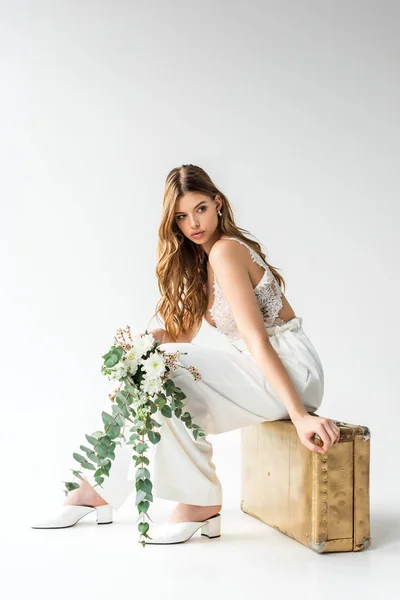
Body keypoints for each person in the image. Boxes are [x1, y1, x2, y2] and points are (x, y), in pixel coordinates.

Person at [31, 164, 340, 544]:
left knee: (162, 371)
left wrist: (299, 416)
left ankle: (196, 502)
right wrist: (149, 343)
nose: (193, 222)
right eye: (181, 216)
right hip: (262, 370)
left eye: (200, 209)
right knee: (149, 371)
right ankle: (97, 488)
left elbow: (257, 340)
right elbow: (183, 336)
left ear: (218, 204)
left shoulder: (225, 251)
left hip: (290, 369)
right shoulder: (202, 263)